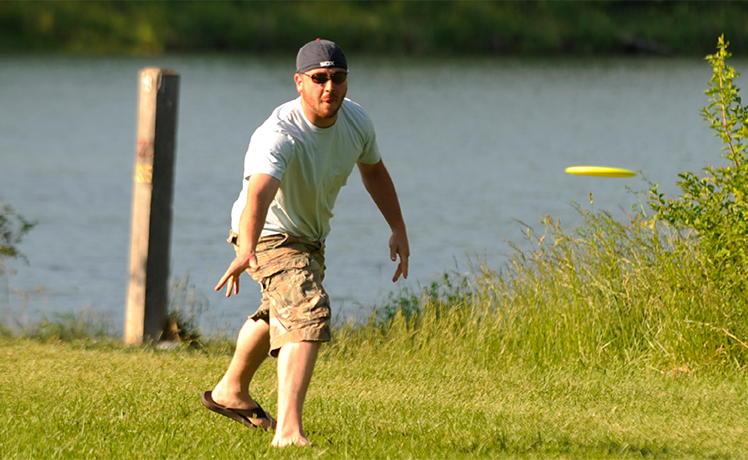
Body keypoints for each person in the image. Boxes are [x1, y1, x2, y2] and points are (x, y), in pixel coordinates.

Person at [201, 39, 410, 448]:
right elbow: (259, 193)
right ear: (300, 82)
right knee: (307, 313)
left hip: (311, 235)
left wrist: (398, 226)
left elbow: (375, 172)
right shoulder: (279, 134)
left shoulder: (357, 121)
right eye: (319, 78)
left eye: (337, 78)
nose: (329, 87)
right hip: (268, 232)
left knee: (277, 312)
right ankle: (289, 433)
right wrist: (246, 248)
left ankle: (231, 391)